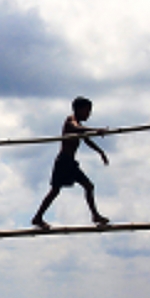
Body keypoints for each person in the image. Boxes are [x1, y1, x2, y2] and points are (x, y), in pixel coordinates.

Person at [32, 97, 109, 230]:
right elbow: (77, 128)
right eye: (87, 111)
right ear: (78, 109)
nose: (88, 114)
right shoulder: (70, 120)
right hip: (63, 161)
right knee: (55, 190)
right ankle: (37, 217)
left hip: (70, 162)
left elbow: (86, 139)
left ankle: (95, 215)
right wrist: (96, 130)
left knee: (88, 186)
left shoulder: (78, 125)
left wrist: (100, 152)